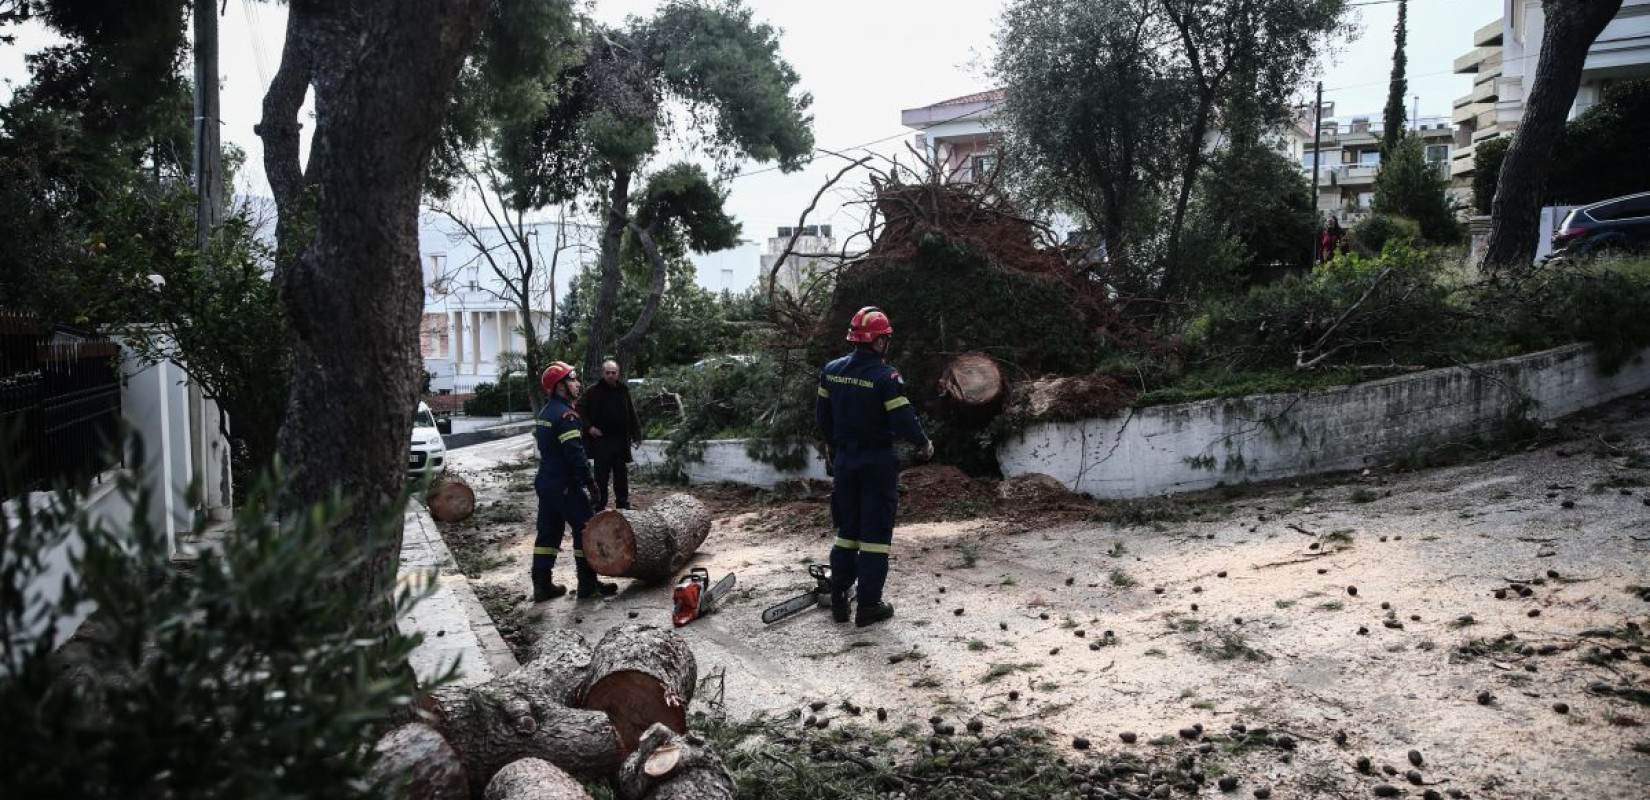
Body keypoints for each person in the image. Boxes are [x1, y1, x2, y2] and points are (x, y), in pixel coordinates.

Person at [816, 307, 933, 628]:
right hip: (877, 463)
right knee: (875, 536)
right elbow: (903, 418)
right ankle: (868, 605)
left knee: (847, 532)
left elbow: (823, 417)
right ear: (878, 341)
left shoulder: (831, 371)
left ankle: (839, 595)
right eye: (886, 338)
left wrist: (832, 444)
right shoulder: (885, 377)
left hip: (845, 462)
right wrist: (923, 443)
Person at [531, 361, 618, 601]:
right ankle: (588, 585)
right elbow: (575, 455)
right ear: (559, 386)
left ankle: (542, 586)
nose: (577, 384)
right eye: (572, 379)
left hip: (547, 483)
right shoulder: (567, 416)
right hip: (566, 486)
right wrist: (590, 483)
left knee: (547, 534)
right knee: (585, 530)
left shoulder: (545, 413)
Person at [576, 359, 643, 510]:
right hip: (601, 441)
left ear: (618, 373)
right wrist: (589, 427)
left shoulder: (623, 390)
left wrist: (637, 433)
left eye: (614, 373)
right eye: (608, 373)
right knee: (601, 477)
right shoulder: (594, 390)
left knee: (621, 476)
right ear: (603, 373)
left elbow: (631, 412)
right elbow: (579, 408)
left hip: (620, 441)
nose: (611, 375)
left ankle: (623, 505)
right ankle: (599, 505)